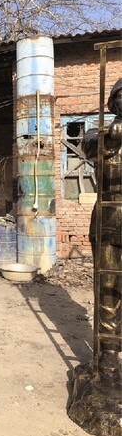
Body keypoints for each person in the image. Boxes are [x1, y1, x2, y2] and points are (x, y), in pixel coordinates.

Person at [82, 78, 122, 379]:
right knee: (107, 288)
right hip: (109, 220)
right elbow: (90, 145)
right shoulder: (102, 133)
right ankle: (108, 353)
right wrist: (112, 137)